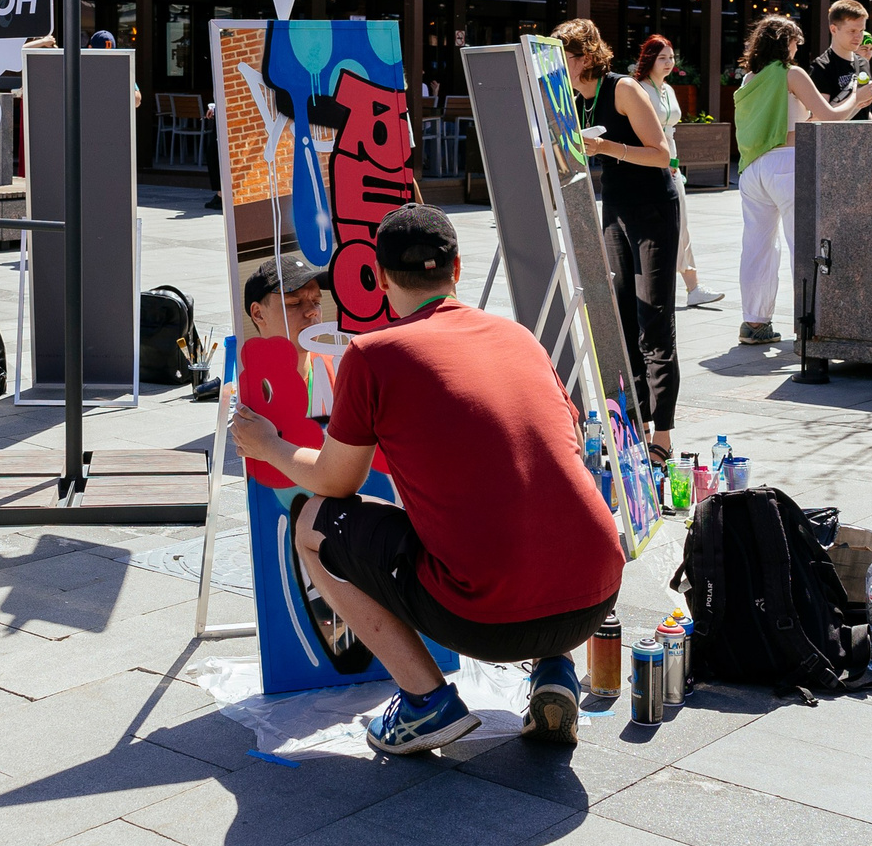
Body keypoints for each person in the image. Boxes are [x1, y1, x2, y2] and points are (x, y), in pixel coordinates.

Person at [227, 205, 623, 755]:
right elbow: (568, 452)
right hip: (595, 596)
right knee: (537, 494)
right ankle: (556, 671)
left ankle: (425, 702)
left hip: (487, 620)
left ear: (383, 280)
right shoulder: (518, 337)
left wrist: (267, 443)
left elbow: (336, 482)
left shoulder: (373, 353)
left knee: (313, 525)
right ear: (457, 269)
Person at [555, 18, 681, 455]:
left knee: (655, 321)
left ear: (586, 56)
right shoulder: (573, 99)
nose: (559, 67)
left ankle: (662, 436)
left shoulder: (623, 88)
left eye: (563, 57)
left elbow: (661, 154)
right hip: (616, 210)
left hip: (653, 209)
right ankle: (637, 428)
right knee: (623, 320)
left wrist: (607, 148)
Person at [732, 15, 872, 346]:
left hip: (752, 168)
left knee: (757, 247)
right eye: (796, 42)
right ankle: (811, 323)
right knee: (804, 243)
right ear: (786, 42)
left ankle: (754, 322)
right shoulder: (790, 73)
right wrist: (859, 98)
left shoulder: (749, 78)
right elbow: (829, 116)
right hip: (787, 163)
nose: (798, 49)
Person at [633, 35, 721, 309]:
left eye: (671, 57)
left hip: (670, 161)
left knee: (679, 222)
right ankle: (661, 286)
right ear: (648, 59)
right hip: (651, 162)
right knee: (662, 225)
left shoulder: (667, 90)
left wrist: (673, 163)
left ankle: (691, 285)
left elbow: (670, 130)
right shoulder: (639, 89)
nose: (669, 62)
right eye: (663, 58)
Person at [804, 0, 872, 114]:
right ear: (834, 29)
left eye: (861, 30)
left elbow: (864, 111)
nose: (859, 37)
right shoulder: (821, 67)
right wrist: (856, 99)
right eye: (852, 31)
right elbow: (819, 116)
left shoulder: (863, 63)